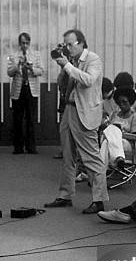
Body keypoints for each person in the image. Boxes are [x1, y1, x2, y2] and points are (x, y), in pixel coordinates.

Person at [44, 29, 108, 214]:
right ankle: (65, 195)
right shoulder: (71, 61)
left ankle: (99, 200)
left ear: (81, 43)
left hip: (85, 113)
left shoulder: (93, 59)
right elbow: (63, 87)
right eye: (65, 45)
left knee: (92, 158)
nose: (68, 48)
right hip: (69, 110)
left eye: (70, 44)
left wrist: (68, 66)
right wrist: (63, 66)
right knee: (67, 156)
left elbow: (88, 80)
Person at [7, 32, 44, 154]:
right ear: (19, 43)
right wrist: (18, 65)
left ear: (30, 43)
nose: (25, 45)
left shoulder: (36, 55)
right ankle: (18, 147)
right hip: (18, 90)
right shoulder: (13, 55)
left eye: (27, 43)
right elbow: (10, 73)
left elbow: (41, 71)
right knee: (17, 119)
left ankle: (31, 147)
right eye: (23, 43)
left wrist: (31, 68)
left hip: (31, 90)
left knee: (31, 119)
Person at [100, 87, 136, 171]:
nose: (121, 105)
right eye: (119, 102)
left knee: (111, 133)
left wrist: (120, 133)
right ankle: (119, 158)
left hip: (127, 144)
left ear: (130, 102)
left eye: (124, 102)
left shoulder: (135, 117)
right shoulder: (114, 114)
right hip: (112, 144)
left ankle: (99, 171)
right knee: (106, 140)